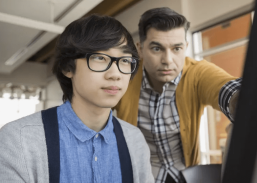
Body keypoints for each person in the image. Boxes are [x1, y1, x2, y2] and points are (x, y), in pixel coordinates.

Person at [0, 14, 154, 183]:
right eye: (100, 58)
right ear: (68, 67)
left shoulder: (134, 140)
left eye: (125, 60)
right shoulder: (19, 139)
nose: (115, 74)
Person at [114, 7, 241, 183]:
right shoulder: (125, 76)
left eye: (176, 48)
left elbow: (227, 87)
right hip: (141, 175)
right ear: (140, 49)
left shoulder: (197, 73)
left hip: (186, 174)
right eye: (157, 48)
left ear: (186, 48)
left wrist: (243, 102)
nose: (168, 60)